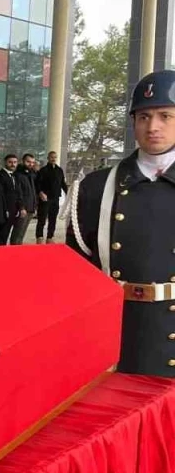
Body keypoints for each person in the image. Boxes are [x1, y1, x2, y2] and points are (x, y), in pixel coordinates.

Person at [68, 69, 175, 376]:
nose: (152, 127)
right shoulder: (95, 187)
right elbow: (77, 275)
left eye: (165, 116)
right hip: (117, 336)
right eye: (143, 117)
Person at [36, 150, 68, 243]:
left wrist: (68, 193)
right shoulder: (43, 170)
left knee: (53, 219)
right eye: (51, 157)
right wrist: (40, 192)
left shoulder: (59, 170)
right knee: (42, 219)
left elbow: (63, 183)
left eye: (55, 157)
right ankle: (39, 237)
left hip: (55, 198)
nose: (53, 159)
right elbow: (37, 184)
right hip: (45, 198)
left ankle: (50, 237)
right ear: (48, 158)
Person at [11, 153, 38, 244]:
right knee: (17, 233)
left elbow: (33, 192)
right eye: (28, 162)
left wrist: (35, 206)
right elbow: (18, 193)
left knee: (22, 233)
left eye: (32, 162)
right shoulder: (18, 175)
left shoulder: (31, 174)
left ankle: (19, 248)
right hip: (23, 209)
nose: (31, 164)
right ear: (22, 161)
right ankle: (14, 249)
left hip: (30, 208)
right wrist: (21, 207)